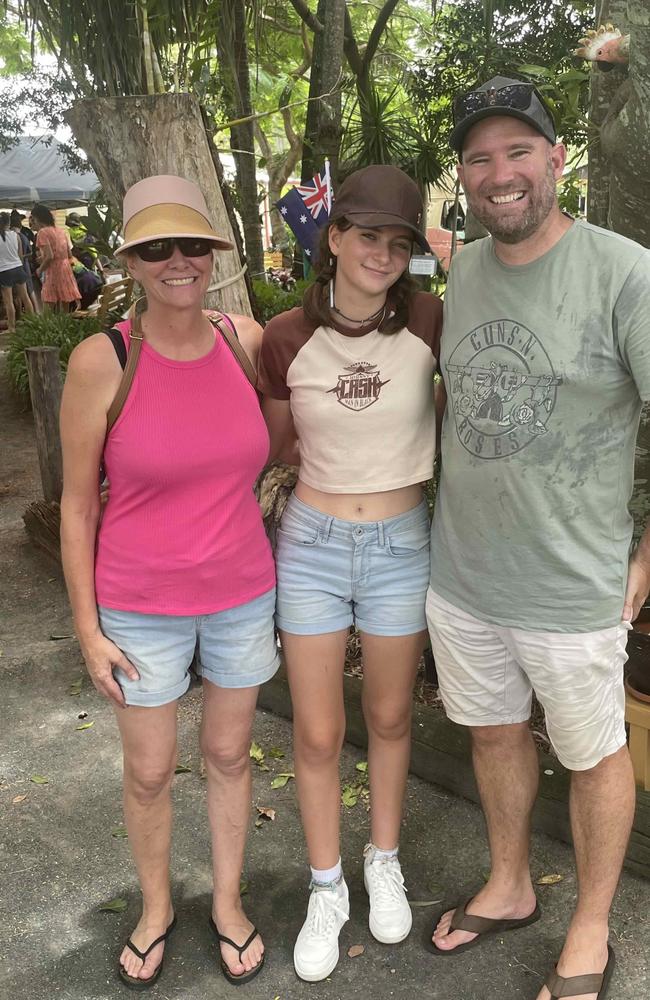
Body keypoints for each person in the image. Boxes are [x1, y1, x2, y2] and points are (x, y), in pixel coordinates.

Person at [425, 76, 650, 1000]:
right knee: (492, 736)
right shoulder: (461, 268)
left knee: (594, 754)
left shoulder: (625, 271)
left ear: (556, 160)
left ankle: (590, 927)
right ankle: (512, 884)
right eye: (480, 157)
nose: (499, 172)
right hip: (465, 575)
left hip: (574, 583)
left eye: (519, 151)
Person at [59, 174, 278, 989]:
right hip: (137, 605)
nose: (178, 261)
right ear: (132, 262)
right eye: (157, 248)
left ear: (213, 254)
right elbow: (78, 507)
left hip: (242, 592)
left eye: (192, 245)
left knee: (228, 754)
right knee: (150, 770)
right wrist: (87, 629)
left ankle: (226, 901)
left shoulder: (245, 339)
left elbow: (296, 433)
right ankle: (155, 907)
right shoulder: (102, 358)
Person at [259, 164, 443, 982]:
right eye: (367, 235)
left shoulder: (433, 319)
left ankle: (384, 858)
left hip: (404, 540)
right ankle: (327, 885)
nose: (382, 253)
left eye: (398, 242)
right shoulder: (284, 336)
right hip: (313, 544)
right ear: (333, 239)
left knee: (393, 716)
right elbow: (276, 443)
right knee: (318, 728)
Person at [31, 203, 80, 311]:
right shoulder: (61, 231)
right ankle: (64, 327)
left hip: (52, 272)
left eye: (33, 219)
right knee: (65, 306)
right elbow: (68, 254)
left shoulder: (42, 233)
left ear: (37, 218)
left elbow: (49, 256)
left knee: (48, 308)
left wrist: (39, 269)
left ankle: (48, 328)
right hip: (65, 270)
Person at [0, 212, 34, 332]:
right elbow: (20, 255)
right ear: (9, 223)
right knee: (25, 297)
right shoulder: (16, 235)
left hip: (4, 271)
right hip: (18, 268)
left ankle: (11, 328)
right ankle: (33, 323)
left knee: (8, 302)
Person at [10, 210, 39, 312]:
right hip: (24, 265)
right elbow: (31, 252)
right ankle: (35, 313)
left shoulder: (17, 236)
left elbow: (31, 252)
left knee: (21, 293)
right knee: (29, 291)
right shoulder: (22, 236)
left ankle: (28, 314)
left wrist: (21, 257)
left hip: (19, 266)